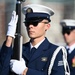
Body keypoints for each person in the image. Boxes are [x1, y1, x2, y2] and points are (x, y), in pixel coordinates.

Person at [0, 4, 70, 75]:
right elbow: (3, 72)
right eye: (27, 23)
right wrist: (9, 38)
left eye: (35, 23)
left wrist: (25, 71)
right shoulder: (19, 50)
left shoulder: (55, 51)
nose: (30, 26)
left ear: (47, 26)